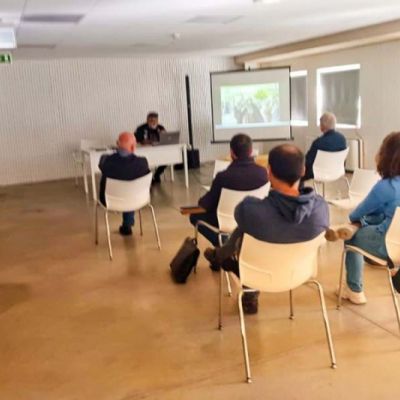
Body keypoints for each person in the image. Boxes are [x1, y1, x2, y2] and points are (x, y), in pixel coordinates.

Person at [205, 144, 329, 313]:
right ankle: (222, 257)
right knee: (254, 227)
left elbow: (244, 217)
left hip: (258, 274)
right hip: (298, 274)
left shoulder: (250, 209)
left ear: (268, 171)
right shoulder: (321, 208)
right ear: (303, 170)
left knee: (247, 229)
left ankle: (223, 257)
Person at [328, 132, 400, 304]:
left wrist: (357, 220)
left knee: (350, 236)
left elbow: (356, 213)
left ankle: (354, 289)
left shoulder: (386, 186)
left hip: (390, 245)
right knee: (379, 216)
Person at [189, 134, 268, 259]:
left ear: (232, 153)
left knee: (194, 216)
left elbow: (206, 204)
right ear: (251, 151)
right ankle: (231, 244)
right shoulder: (263, 173)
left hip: (227, 220)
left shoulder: (223, 176)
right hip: (254, 218)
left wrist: (201, 201)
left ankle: (219, 241)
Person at [99, 132, 150, 236]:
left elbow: (102, 167)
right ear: (133, 147)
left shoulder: (106, 160)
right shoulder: (142, 162)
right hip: (137, 199)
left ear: (117, 144)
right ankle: (127, 224)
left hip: (109, 199)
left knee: (125, 188)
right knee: (130, 190)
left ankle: (127, 225)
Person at [303, 112, 347, 181]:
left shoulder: (318, 142)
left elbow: (308, 161)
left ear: (322, 125)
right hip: (337, 171)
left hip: (317, 173)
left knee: (295, 171)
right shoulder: (342, 138)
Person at [135, 112, 166, 183]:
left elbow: (166, 138)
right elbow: (137, 140)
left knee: (168, 158)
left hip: (159, 150)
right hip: (144, 151)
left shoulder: (160, 128)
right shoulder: (141, 128)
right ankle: (149, 177)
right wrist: (143, 141)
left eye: (155, 120)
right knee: (144, 162)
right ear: (147, 120)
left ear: (157, 120)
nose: (153, 122)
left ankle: (157, 174)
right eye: (151, 120)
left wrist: (164, 135)